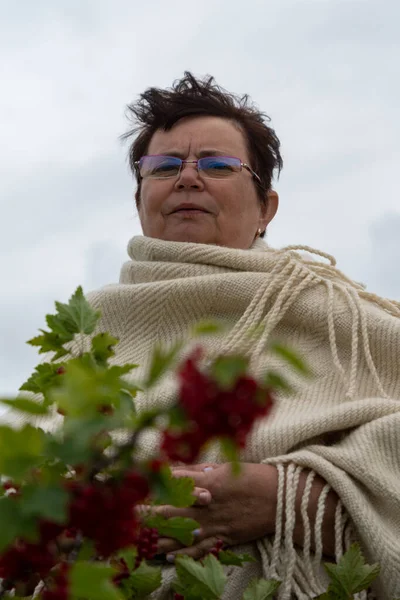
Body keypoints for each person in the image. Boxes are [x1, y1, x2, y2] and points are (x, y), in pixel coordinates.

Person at [13, 73, 400, 599]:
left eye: (217, 165)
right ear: (140, 197)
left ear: (267, 209)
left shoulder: (341, 318)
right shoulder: (90, 331)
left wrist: (288, 497)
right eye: (165, 166)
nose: (188, 178)